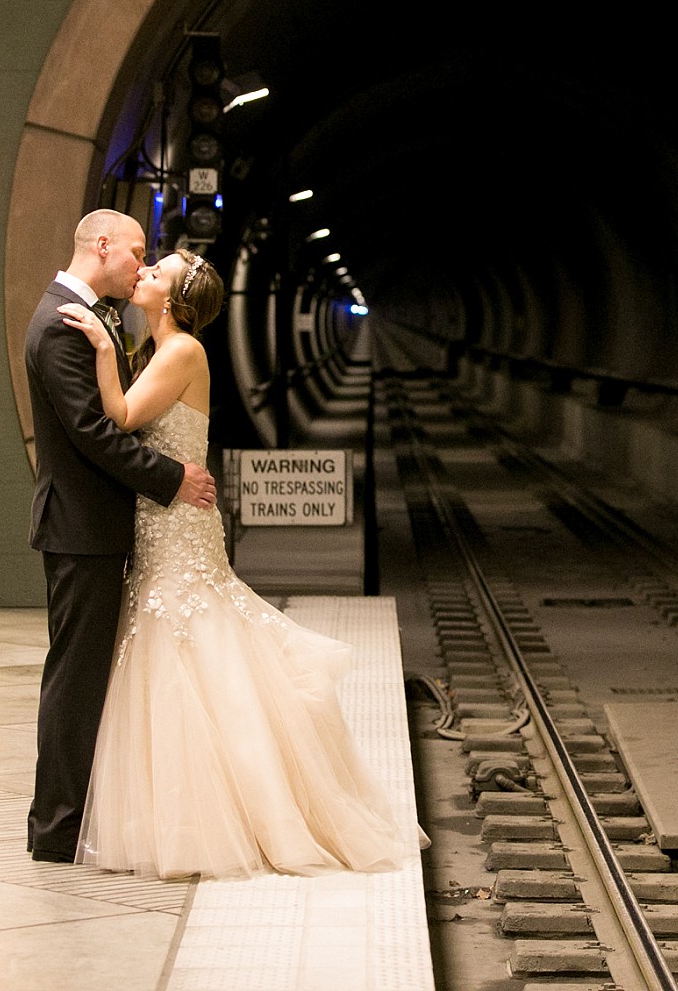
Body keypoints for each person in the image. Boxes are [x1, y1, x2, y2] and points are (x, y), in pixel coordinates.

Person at [58, 247, 415, 880]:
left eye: (155, 272)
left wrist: (103, 354)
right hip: (160, 520)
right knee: (169, 655)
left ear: (172, 301)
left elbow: (122, 416)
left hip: (177, 527)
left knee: (189, 654)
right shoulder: (158, 350)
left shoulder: (183, 352)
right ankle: (172, 817)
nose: (142, 273)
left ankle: (232, 815)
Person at [24, 210, 217, 864]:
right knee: (75, 683)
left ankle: (76, 824)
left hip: (100, 531)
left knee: (90, 681)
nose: (141, 263)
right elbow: (96, 434)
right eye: (138, 252)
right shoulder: (61, 324)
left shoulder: (93, 320)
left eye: (150, 262)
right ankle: (54, 833)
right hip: (81, 531)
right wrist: (173, 478)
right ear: (101, 245)